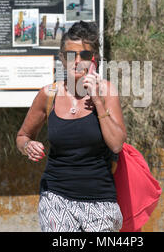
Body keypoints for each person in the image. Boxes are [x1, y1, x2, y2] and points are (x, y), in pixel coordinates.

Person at [16, 21, 126, 232]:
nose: (77, 62)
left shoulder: (106, 91)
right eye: (70, 55)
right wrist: (27, 146)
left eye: (84, 56)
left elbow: (117, 145)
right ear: (61, 59)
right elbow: (23, 136)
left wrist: (97, 100)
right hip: (56, 197)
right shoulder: (48, 95)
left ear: (94, 59)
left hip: (100, 201)